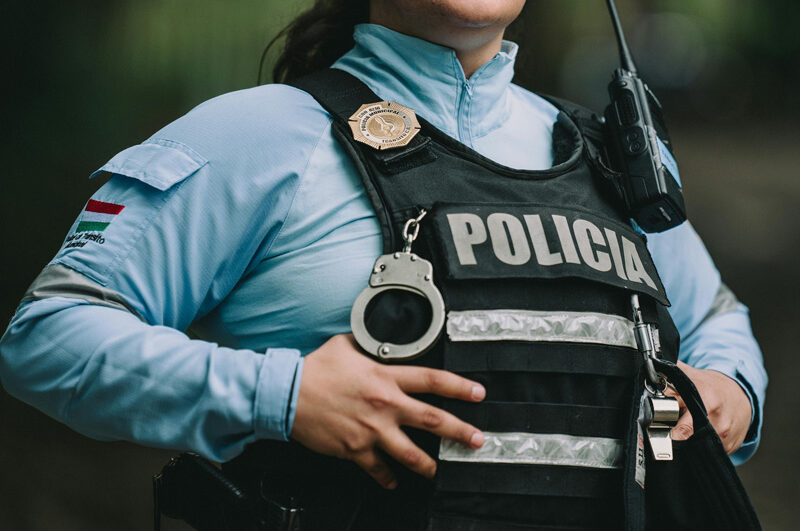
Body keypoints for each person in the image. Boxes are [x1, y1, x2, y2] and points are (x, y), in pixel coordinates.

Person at [0, 0, 766, 529]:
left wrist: (730, 387)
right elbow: (47, 336)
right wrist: (283, 393)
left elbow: (714, 319)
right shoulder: (257, 136)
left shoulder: (610, 159)